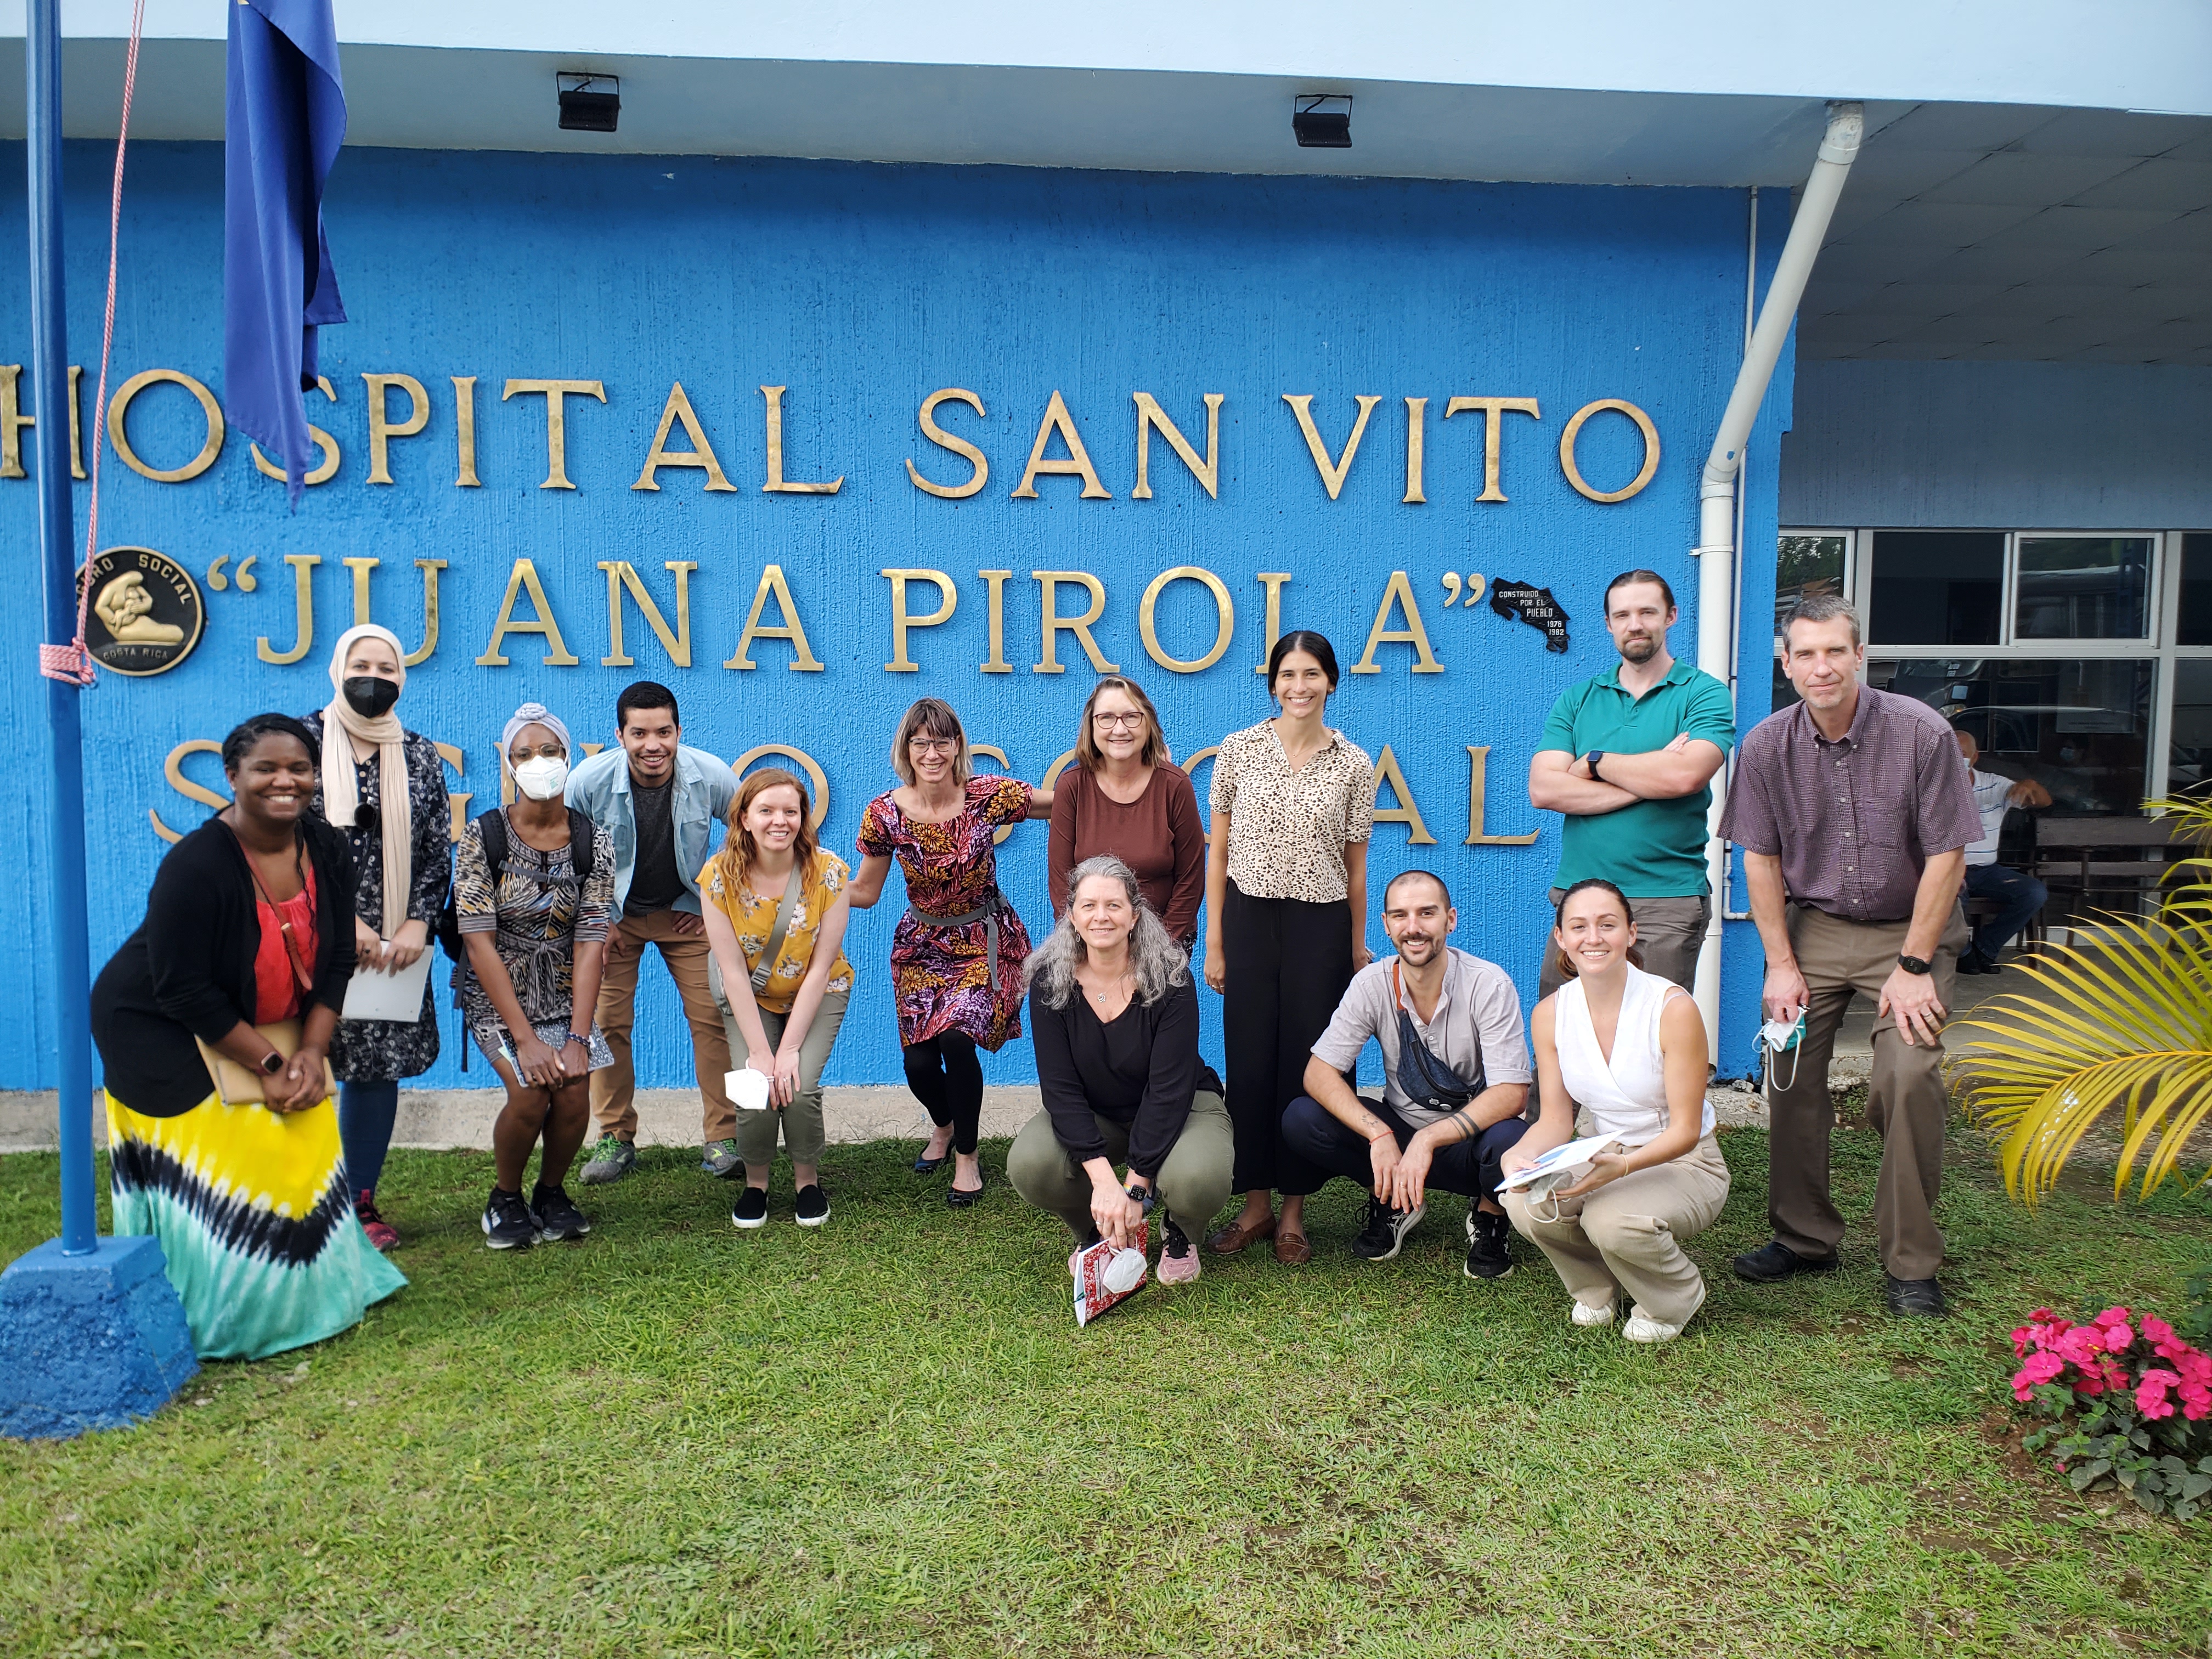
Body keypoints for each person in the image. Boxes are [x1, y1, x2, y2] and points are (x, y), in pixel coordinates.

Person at [90, 714, 405, 1359]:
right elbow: (180, 988)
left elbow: (339, 956)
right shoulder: (196, 865)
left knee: (310, 1139)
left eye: (299, 768)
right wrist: (268, 1062)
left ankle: (318, 1292)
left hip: (260, 1018)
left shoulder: (326, 846)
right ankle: (238, 1314)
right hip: (158, 1028)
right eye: (266, 768)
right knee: (240, 1164)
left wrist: (313, 1051)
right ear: (233, 777)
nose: (285, 781)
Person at [1720, 594, 1980, 1318]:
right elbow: (1761, 860)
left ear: (1860, 656)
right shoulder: (1769, 746)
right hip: (1817, 928)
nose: (1821, 666)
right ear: (1786, 664)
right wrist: (1780, 962)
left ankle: (1911, 1262)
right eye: (1805, 653)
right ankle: (1804, 1238)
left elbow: (1948, 856)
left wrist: (1915, 966)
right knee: (1789, 1068)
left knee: (1905, 1076)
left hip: (1913, 930)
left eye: (1835, 651)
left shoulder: (1921, 733)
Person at [1203, 629, 1375, 1266]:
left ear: (1332, 682)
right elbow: (1218, 853)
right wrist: (1216, 940)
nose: (1298, 687)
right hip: (1249, 919)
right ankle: (1254, 1206)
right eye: (1287, 675)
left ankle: (1294, 1214)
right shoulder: (1241, 751)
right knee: (1249, 1065)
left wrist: (1357, 948)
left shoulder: (1354, 764)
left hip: (1321, 926)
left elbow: (1357, 867)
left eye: (1311, 674)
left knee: (1311, 1066)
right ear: (1272, 682)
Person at [1503, 879, 1730, 1342]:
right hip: (1601, 1148)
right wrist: (1516, 1159)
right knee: (1525, 1203)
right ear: (1561, 938)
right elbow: (1555, 1120)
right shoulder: (1550, 1013)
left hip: (1682, 1160)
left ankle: (1674, 1297)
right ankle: (1597, 1288)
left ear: (1630, 933)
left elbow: (1687, 1130)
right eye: (1579, 926)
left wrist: (1623, 1166)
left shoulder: (1672, 1008)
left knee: (1610, 1219)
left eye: (1608, 925)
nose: (1594, 938)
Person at [848, 697, 1050, 1206]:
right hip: (921, 945)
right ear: (907, 749)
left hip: (983, 940)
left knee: (959, 1041)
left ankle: (966, 1156)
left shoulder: (987, 796)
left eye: (942, 741)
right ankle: (942, 1125)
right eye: (921, 742)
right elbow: (866, 893)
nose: (932, 752)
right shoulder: (885, 813)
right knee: (919, 1066)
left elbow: (1064, 803)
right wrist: (804, 878)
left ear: (957, 745)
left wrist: (1117, 788)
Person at [1280, 871, 1533, 1275]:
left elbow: (1512, 1093)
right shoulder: (1371, 983)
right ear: (1386, 925)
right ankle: (1395, 1200)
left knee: (1513, 1141)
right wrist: (1378, 1133)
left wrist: (1429, 1139)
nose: (1413, 928)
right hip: (1399, 1135)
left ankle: (1490, 1218)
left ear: (1450, 920)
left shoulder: (1489, 985)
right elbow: (1319, 1072)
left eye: (1426, 914)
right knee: (1303, 1119)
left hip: (1470, 1142)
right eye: (1400, 916)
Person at [1009, 856, 1234, 1283]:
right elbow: (1060, 1090)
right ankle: (1096, 1233)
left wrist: (1134, 1188)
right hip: (1101, 1112)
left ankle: (1180, 1230)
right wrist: (1106, 1186)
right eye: (1089, 905)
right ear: (1072, 916)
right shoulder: (1048, 982)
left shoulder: (1171, 979)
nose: (1101, 917)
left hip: (1183, 1106)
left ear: (1135, 915)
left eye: (1114, 906)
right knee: (1032, 1163)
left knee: (1199, 1178)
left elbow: (1169, 1090)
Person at [303, 622, 450, 1254]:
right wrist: (346, 922)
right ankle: (302, 1197)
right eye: (362, 664)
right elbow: (287, 842)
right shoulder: (299, 743)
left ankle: (358, 1200)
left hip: (393, 946)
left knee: (374, 1067)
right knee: (302, 1062)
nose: (374, 677)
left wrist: (418, 920)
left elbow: (435, 848)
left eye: (387, 668)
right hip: (309, 935)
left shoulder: (418, 755)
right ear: (337, 669)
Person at [453, 704, 617, 1249]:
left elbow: (593, 939)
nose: (538, 762)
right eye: (524, 753)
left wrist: (576, 1037)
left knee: (573, 1096)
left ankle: (551, 1193)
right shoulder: (485, 835)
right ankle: (505, 1199)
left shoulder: (593, 838)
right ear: (508, 763)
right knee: (529, 1092)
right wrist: (524, 1039)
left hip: (567, 990)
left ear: (568, 758)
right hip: (499, 992)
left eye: (549, 751)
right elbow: (477, 940)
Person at [1527, 569, 1734, 997]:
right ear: (1608, 624)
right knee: (1564, 1038)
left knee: (1655, 1041)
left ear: (1671, 616)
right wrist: (1652, 775)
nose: (1634, 624)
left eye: (1647, 612)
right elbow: (1545, 790)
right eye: (1622, 615)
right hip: (1580, 896)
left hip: (1666, 900)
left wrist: (1595, 762)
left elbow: (1686, 774)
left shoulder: (1703, 694)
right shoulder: (1579, 698)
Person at [568, 681, 742, 1185]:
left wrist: (716, 903)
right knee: (605, 1022)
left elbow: (749, 835)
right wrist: (598, 920)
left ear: (678, 732)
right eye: (640, 732)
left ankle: (722, 1137)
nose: (653, 744)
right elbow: (569, 854)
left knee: (713, 1017)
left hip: (685, 913)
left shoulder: (710, 775)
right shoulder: (589, 781)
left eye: (664, 732)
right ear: (619, 735)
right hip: (613, 919)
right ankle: (614, 1137)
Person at [699, 768, 855, 1229]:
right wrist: (763, 1054)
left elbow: (821, 967)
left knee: (799, 1086)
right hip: (747, 994)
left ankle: (807, 1181)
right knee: (755, 1088)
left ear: (804, 818)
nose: (779, 821)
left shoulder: (829, 873)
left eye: (791, 811)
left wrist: (787, 1051)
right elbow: (730, 970)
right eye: (766, 810)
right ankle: (757, 1183)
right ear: (745, 817)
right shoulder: (717, 877)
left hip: (818, 988)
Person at [1047, 675, 1206, 947]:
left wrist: (1160, 948)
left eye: (1132, 717)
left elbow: (1190, 880)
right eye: (1106, 718)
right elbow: (1062, 881)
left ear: (1149, 725)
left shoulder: (1175, 785)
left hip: (1164, 942)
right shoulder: (1072, 786)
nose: (1119, 729)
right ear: (1091, 726)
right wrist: (1086, 941)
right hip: (1090, 941)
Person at [1953, 727, 2052, 974]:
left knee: (2034, 892)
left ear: (1975, 757)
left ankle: (1985, 949)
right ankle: (1962, 954)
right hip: (1950, 870)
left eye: (1963, 753)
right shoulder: (1930, 785)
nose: (1956, 757)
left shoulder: (1994, 784)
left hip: (1987, 871)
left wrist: (2030, 785)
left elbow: (2043, 801)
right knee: (1951, 899)